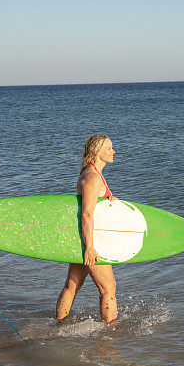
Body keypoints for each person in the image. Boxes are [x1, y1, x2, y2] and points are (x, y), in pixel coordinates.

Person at [56, 134, 119, 324]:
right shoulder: (92, 177)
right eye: (108, 148)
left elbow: (93, 208)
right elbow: (86, 214)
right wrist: (89, 247)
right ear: (96, 152)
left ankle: (59, 325)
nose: (113, 151)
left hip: (83, 238)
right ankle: (111, 333)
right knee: (108, 288)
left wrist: (109, 201)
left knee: (73, 285)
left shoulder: (93, 173)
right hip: (90, 241)